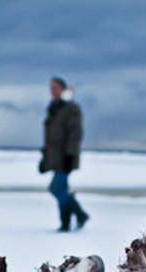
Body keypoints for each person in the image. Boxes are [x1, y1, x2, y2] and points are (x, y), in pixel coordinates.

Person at [39, 77, 89, 232]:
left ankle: (79, 215)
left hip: (65, 157)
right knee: (61, 189)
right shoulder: (53, 108)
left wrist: (70, 155)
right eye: (51, 87)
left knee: (56, 188)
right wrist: (45, 158)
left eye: (56, 87)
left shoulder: (71, 108)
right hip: (55, 157)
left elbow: (75, 134)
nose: (53, 90)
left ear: (63, 90)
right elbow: (50, 137)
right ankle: (66, 223)